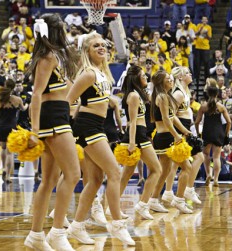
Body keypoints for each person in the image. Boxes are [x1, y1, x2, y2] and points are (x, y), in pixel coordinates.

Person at [66, 32, 135, 246]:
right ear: (87, 50)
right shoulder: (87, 73)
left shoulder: (102, 73)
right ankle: (116, 223)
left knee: (95, 180)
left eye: (103, 45)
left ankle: (77, 226)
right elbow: (69, 101)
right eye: (95, 45)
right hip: (87, 127)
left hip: (98, 126)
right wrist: (67, 130)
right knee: (114, 172)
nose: (101, 48)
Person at [24, 13, 81, 251]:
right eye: (63, 29)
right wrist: (35, 131)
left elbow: (66, 85)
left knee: (47, 180)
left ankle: (36, 236)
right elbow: (36, 95)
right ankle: (57, 232)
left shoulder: (56, 56)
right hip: (52, 118)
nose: (66, 32)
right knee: (73, 174)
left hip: (58, 113)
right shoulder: (47, 57)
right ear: (56, 31)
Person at [119, 65, 162, 220]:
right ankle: (142, 205)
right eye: (143, 75)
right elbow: (131, 121)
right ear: (136, 78)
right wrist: (131, 143)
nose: (146, 77)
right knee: (157, 169)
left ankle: (112, 207)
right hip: (137, 136)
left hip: (139, 134)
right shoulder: (133, 96)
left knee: (126, 174)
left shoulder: (137, 94)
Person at [149, 70, 192, 214]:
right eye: (168, 79)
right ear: (162, 82)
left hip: (163, 136)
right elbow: (167, 120)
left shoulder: (164, 96)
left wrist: (184, 130)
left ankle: (153, 200)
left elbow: (173, 117)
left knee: (165, 171)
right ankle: (179, 200)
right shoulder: (162, 96)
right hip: (167, 137)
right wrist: (176, 136)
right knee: (187, 167)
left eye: (171, 78)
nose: (171, 80)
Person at [162, 66, 204, 206]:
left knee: (174, 164)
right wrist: (181, 131)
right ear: (180, 77)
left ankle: (170, 192)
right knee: (196, 158)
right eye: (187, 73)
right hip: (180, 130)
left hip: (186, 128)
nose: (190, 74)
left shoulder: (185, 91)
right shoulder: (178, 94)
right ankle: (186, 189)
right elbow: (171, 115)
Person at [195, 78, 231, 187]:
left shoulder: (203, 106)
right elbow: (229, 122)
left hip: (207, 131)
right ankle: (216, 179)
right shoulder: (221, 106)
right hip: (218, 132)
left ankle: (208, 174)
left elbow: (197, 122)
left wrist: (198, 134)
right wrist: (226, 134)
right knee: (216, 157)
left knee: (206, 155)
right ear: (217, 93)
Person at [0, 78, 27, 183]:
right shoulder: (17, 99)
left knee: (3, 149)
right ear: (13, 87)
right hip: (12, 126)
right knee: (10, 153)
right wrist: (27, 105)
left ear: (5, 85)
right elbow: (23, 109)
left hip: (1, 125)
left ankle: (3, 169)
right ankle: (8, 176)